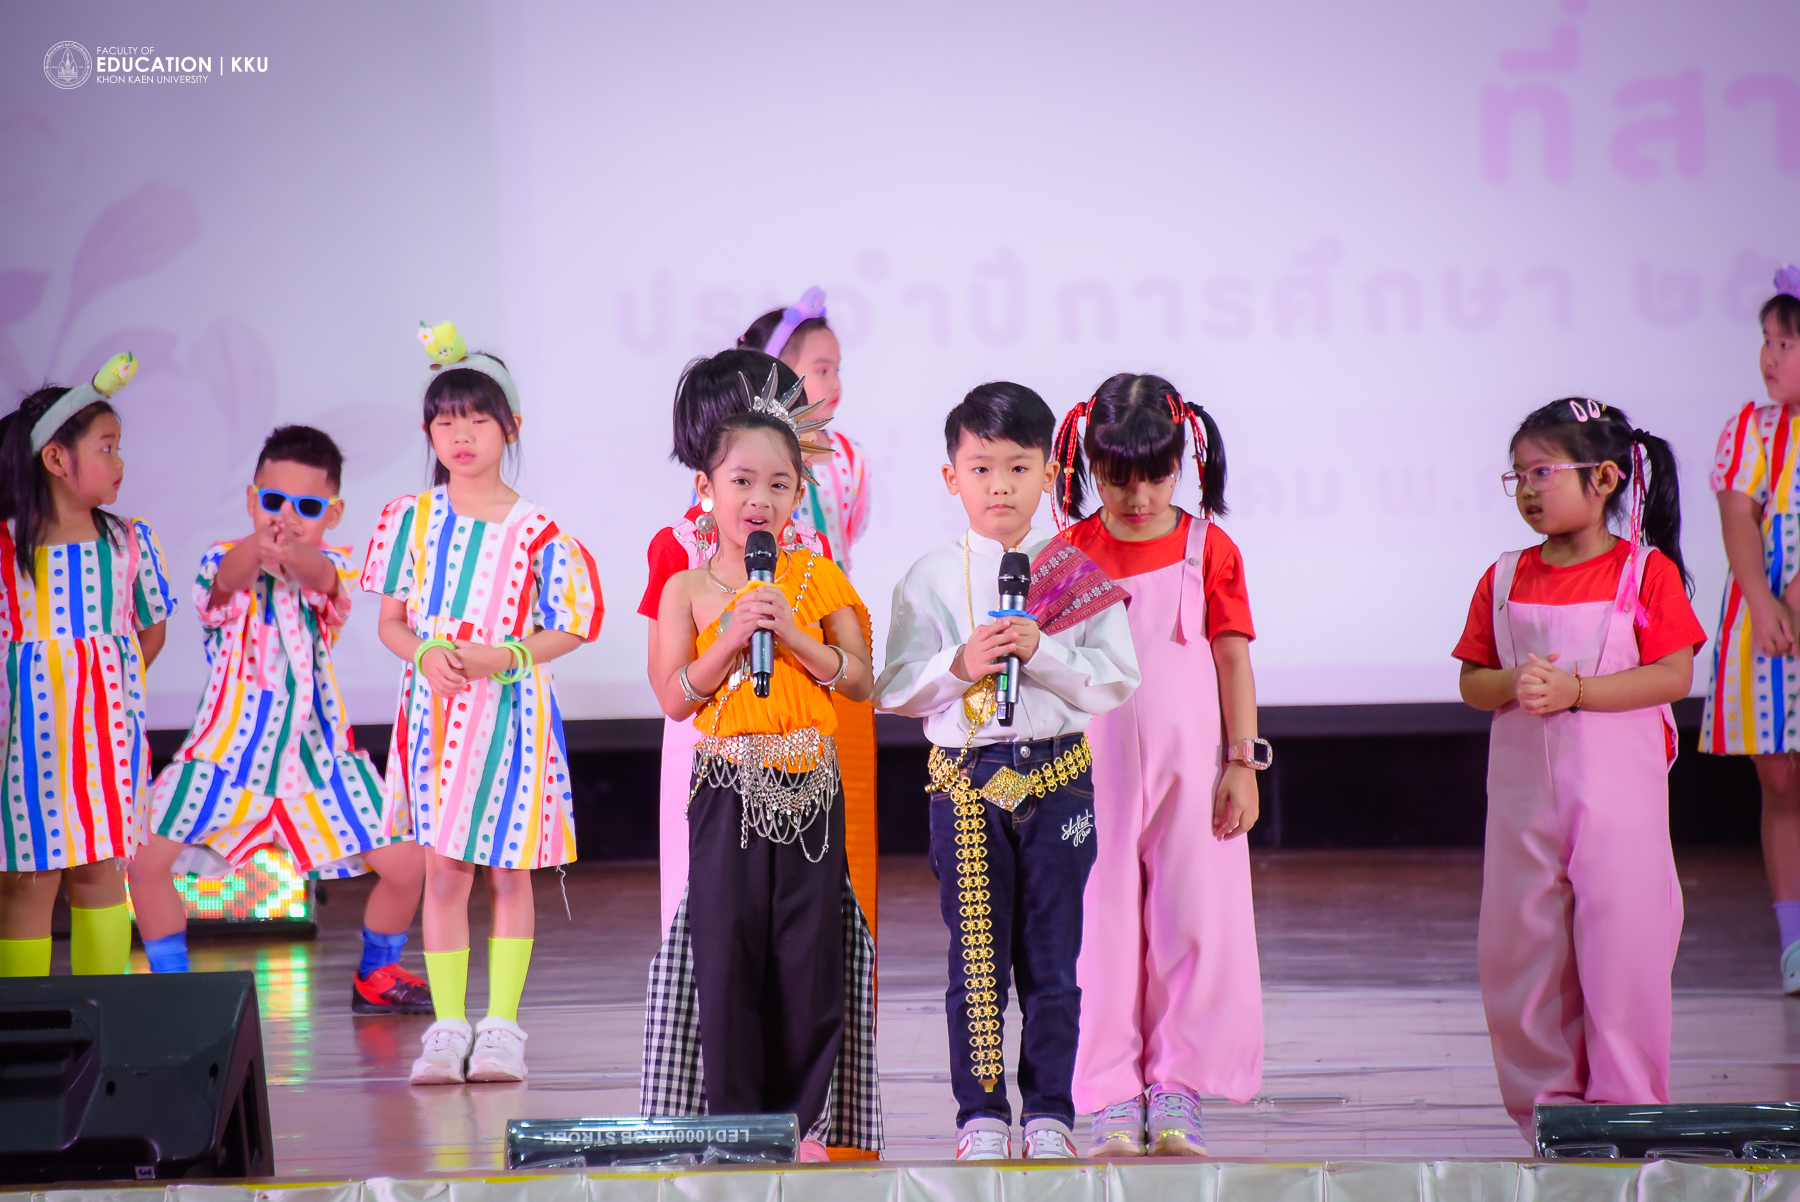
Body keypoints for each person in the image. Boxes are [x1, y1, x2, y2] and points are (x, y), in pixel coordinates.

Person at [876, 381, 1140, 1161]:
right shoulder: (928, 577)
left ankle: (1051, 1113)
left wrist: (1043, 651)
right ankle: (982, 1116)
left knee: (1054, 961)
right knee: (977, 962)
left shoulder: (1078, 572)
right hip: (966, 784)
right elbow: (893, 687)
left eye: (1020, 468)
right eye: (982, 468)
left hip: (1059, 783)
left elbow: (1115, 680)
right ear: (951, 477)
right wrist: (959, 664)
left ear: (1048, 476)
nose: (1000, 486)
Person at [638, 367, 881, 1161]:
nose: (759, 498)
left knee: (808, 958)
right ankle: (737, 1126)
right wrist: (733, 638)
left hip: (811, 787)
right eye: (741, 480)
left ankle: (800, 1125)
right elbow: (675, 696)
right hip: (725, 789)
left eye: (779, 484)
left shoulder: (817, 579)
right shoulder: (686, 588)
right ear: (706, 489)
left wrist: (795, 636)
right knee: (726, 954)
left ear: (798, 495)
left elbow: (860, 680)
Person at [1454, 398, 1704, 1136]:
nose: (1527, 490)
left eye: (1543, 472)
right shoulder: (1505, 577)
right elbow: (1473, 681)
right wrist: (1514, 681)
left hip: (1617, 802)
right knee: (1525, 945)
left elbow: (1673, 674)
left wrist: (1578, 692)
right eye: (1518, 476)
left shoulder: (1644, 571)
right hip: (1526, 800)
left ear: (1603, 478)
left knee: (1624, 942)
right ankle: (1551, 1113)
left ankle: (1626, 1108)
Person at [364, 323, 601, 1085]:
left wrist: (509, 656)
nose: (460, 436)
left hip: (510, 715)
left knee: (508, 871)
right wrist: (425, 654)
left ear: (511, 426)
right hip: (435, 716)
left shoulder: (539, 532)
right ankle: (447, 1027)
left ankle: (501, 1027)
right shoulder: (409, 518)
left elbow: (573, 623)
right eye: (445, 421)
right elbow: (392, 623)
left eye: (476, 419)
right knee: (443, 870)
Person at [129, 425, 430, 1013]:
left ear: (333, 514)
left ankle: (377, 972)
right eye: (273, 502)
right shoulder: (223, 559)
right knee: (144, 859)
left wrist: (291, 553)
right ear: (251, 501)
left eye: (307, 508)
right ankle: (173, 984)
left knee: (406, 864)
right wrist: (259, 549)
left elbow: (324, 579)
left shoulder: (331, 567)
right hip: (223, 758)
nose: (286, 519)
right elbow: (225, 580)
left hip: (316, 762)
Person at [1054, 374, 1264, 1156]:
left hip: (1194, 766)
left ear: (1183, 462)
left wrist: (1242, 762)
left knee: (1194, 916)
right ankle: (1110, 1090)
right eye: (1117, 478)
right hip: (1091, 768)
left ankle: (1178, 1087)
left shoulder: (1212, 549)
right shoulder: (1069, 553)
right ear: (1089, 466)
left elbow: (1233, 660)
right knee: (1098, 921)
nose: (1137, 496)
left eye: (1156, 475)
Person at [640, 349, 827, 936]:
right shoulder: (676, 547)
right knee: (710, 909)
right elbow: (668, 680)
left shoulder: (809, 547)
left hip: (796, 750)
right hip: (707, 745)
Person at [0, 354, 176, 976]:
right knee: (27, 879)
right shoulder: (6, 544)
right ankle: (20, 1021)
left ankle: (105, 1017)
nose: (119, 462)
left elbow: (151, 625)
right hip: (25, 740)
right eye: (106, 448)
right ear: (55, 459)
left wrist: (109, 680)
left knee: (101, 872)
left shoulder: (128, 541)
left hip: (107, 740)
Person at [739, 289, 880, 946]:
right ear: (778, 375)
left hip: (832, 630)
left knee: (847, 803)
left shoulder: (849, 456)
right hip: (768, 631)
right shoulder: (742, 457)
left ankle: (844, 957)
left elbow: (847, 535)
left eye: (836, 368)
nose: (834, 382)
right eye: (820, 368)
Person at [1702, 267, 1800, 992]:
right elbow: (1738, 515)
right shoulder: (1752, 427)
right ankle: (1794, 943)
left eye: (1785, 343)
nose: (1769, 356)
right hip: (1765, 620)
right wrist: (1763, 602)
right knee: (1780, 779)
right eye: (1765, 340)